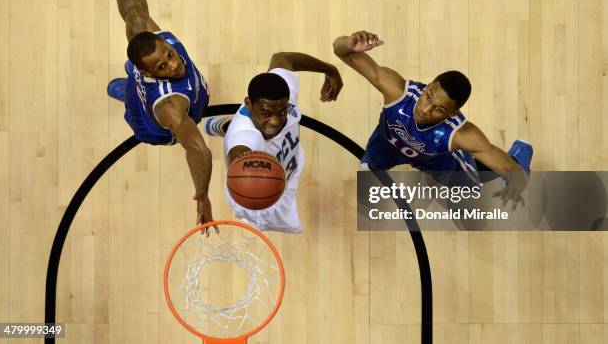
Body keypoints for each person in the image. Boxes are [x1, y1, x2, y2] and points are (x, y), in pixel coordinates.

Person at [332, 30, 533, 208]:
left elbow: (515, 173)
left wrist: (517, 183)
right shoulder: (397, 93)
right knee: (368, 167)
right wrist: (349, 43)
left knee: (468, 193)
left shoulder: (460, 134)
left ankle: (520, 153)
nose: (426, 110)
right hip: (388, 145)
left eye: (439, 109)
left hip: (435, 161)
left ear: (452, 113)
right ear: (427, 86)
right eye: (428, 96)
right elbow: (340, 50)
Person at [107, 0, 216, 229]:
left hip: (143, 79)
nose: (173, 66)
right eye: (162, 68)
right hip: (152, 124)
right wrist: (202, 194)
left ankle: (127, 86)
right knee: (135, 103)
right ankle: (126, 94)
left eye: (168, 55)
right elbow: (197, 148)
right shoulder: (172, 106)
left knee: (136, 12)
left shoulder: (150, 36)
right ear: (148, 72)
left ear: (163, 42)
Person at [204, 52, 343, 232]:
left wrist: (330, 70)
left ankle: (224, 126)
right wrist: (244, 166)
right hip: (262, 199)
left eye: (282, 112)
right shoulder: (246, 138)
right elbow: (240, 155)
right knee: (291, 227)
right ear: (248, 103)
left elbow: (282, 58)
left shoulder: (280, 96)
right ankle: (228, 127)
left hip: (286, 163)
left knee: (255, 128)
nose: (276, 121)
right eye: (266, 113)